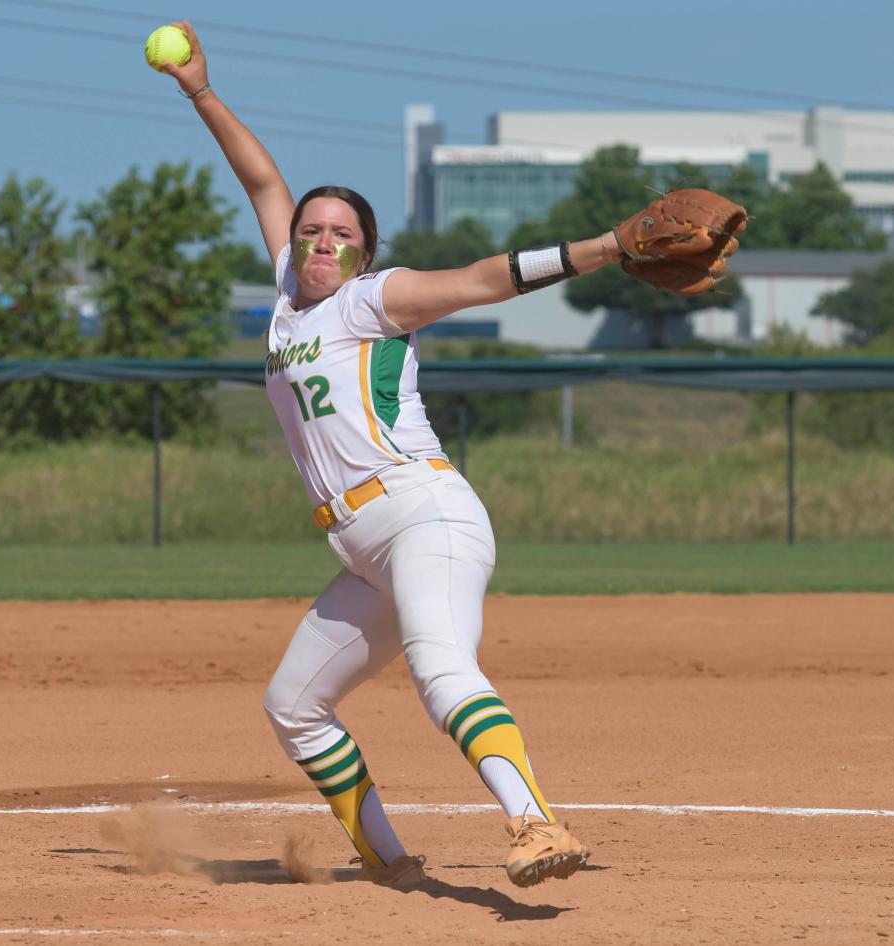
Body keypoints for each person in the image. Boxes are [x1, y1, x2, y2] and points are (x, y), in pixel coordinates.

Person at [158, 21, 625, 890]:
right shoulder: (287, 304)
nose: (321, 239)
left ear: (364, 251)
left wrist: (605, 249)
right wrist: (199, 91)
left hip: (422, 515)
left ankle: (534, 822)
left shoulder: (373, 300)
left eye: (340, 232)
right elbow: (261, 177)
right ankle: (388, 862)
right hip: (360, 551)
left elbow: (486, 278)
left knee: (440, 667)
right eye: (310, 229)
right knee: (294, 708)